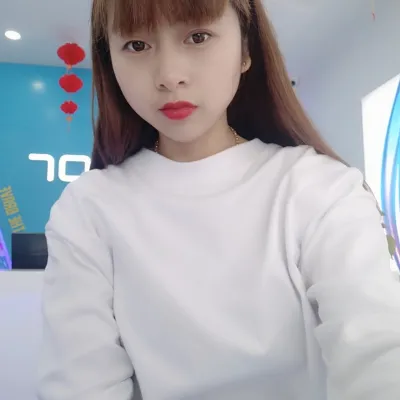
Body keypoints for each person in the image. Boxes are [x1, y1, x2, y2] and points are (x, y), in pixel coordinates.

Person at [37, 0, 400, 399]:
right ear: (110, 62)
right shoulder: (88, 209)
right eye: (137, 46)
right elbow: (78, 385)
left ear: (245, 49)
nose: (169, 76)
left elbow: (377, 349)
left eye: (198, 36)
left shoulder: (317, 187)